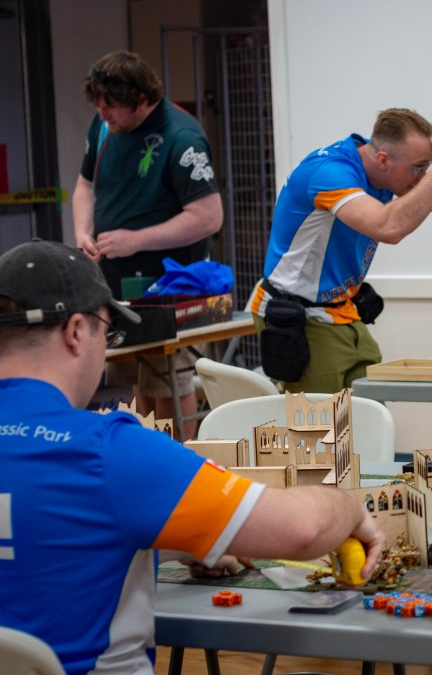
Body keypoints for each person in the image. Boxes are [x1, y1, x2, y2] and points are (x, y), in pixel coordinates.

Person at [0, 239, 386, 675]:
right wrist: (350, 506)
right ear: (75, 332)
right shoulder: (111, 452)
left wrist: (172, 542)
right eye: (106, 332)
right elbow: (303, 529)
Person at [248, 108, 432, 392]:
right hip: (301, 314)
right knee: (322, 419)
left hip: (341, 308)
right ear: (383, 160)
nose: (422, 175)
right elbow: (388, 228)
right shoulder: (331, 172)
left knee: (370, 407)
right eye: (418, 168)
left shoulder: (381, 169)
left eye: (428, 165)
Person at [72, 50, 223, 440]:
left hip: (171, 286)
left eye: (111, 106)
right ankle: (149, 457)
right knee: (140, 383)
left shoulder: (182, 138)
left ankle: (182, 461)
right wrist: (83, 232)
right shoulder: (104, 125)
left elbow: (208, 217)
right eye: (99, 106)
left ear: (141, 100)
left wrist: (135, 240)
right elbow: (84, 186)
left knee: (170, 384)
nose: (102, 114)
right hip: (118, 285)